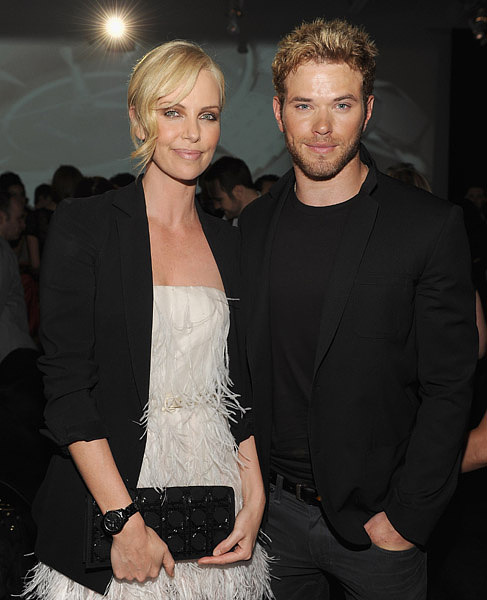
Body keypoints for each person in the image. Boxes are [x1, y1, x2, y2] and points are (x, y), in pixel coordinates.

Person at [22, 40, 271, 600]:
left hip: (214, 493)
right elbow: (66, 388)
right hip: (115, 495)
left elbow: (238, 386)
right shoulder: (86, 227)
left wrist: (255, 494)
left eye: (208, 115)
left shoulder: (230, 244)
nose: (192, 133)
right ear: (138, 120)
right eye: (172, 112)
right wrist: (124, 521)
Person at [239, 18, 477, 600]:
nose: (321, 126)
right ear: (279, 112)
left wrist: (406, 517)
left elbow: (450, 386)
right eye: (304, 105)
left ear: (367, 111)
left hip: (379, 526)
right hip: (271, 519)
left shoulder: (427, 225)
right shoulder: (254, 224)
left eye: (341, 104)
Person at [204, 156, 259, 224]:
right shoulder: (224, 223)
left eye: (219, 200)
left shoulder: (269, 216)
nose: (216, 206)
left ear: (238, 192)